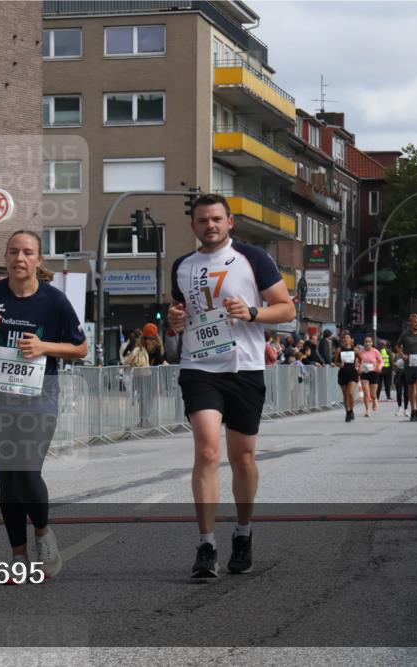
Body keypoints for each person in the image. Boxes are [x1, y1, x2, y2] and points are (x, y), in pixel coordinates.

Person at [167, 193, 295, 578]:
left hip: (244, 368)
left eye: (216, 219)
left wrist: (254, 312)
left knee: (243, 458)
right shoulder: (182, 265)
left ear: (230, 222)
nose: (210, 225)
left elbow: (286, 309)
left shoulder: (253, 258)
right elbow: (179, 313)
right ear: (193, 225)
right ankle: (206, 545)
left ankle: (244, 531)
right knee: (207, 451)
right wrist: (174, 320)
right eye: (203, 220)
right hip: (199, 366)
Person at [0, 230, 87, 581]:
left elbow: (81, 348)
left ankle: (43, 533)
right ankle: (17, 555)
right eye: (13, 252)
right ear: (6, 258)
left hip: (39, 395)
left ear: (39, 260)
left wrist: (45, 347)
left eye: (28, 252)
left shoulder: (54, 301)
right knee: (8, 478)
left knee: (27, 472)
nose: (19, 258)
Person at [335, 333, 359, 422]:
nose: (346, 339)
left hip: (352, 372)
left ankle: (351, 410)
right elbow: (335, 362)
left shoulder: (355, 350)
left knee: (350, 393)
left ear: (351, 339)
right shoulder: (339, 350)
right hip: (343, 372)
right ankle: (348, 412)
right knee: (345, 395)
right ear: (342, 340)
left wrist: (359, 365)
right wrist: (339, 364)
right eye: (344, 338)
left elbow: (361, 358)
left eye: (348, 337)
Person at [357, 336, 382, 417]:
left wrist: (379, 367)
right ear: (364, 343)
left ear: (372, 343)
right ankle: (367, 410)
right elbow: (358, 362)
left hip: (374, 373)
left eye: (369, 342)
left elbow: (381, 361)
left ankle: (375, 400)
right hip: (364, 373)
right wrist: (359, 368)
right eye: (366, 342)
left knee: (373, 394)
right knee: (366, 393)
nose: (367, 343)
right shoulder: (361, 352)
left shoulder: (375, 352)